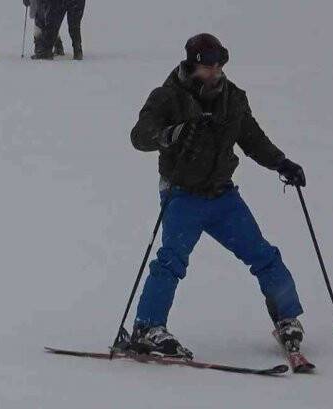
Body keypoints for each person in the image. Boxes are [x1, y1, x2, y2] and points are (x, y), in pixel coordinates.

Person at [128, 33, 308, 359]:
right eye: (207, 66)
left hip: (222, 195)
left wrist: (282, 163)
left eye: (218, 65)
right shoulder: (168, 97)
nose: (214, 72)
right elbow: (139, 136)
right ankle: (148, 328)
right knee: (171, 260)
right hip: (181, 193)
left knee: (263, 254)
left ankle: (287, 318)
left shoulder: (233, 98)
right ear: (192, 65)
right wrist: (168, 135)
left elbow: (252, 139)